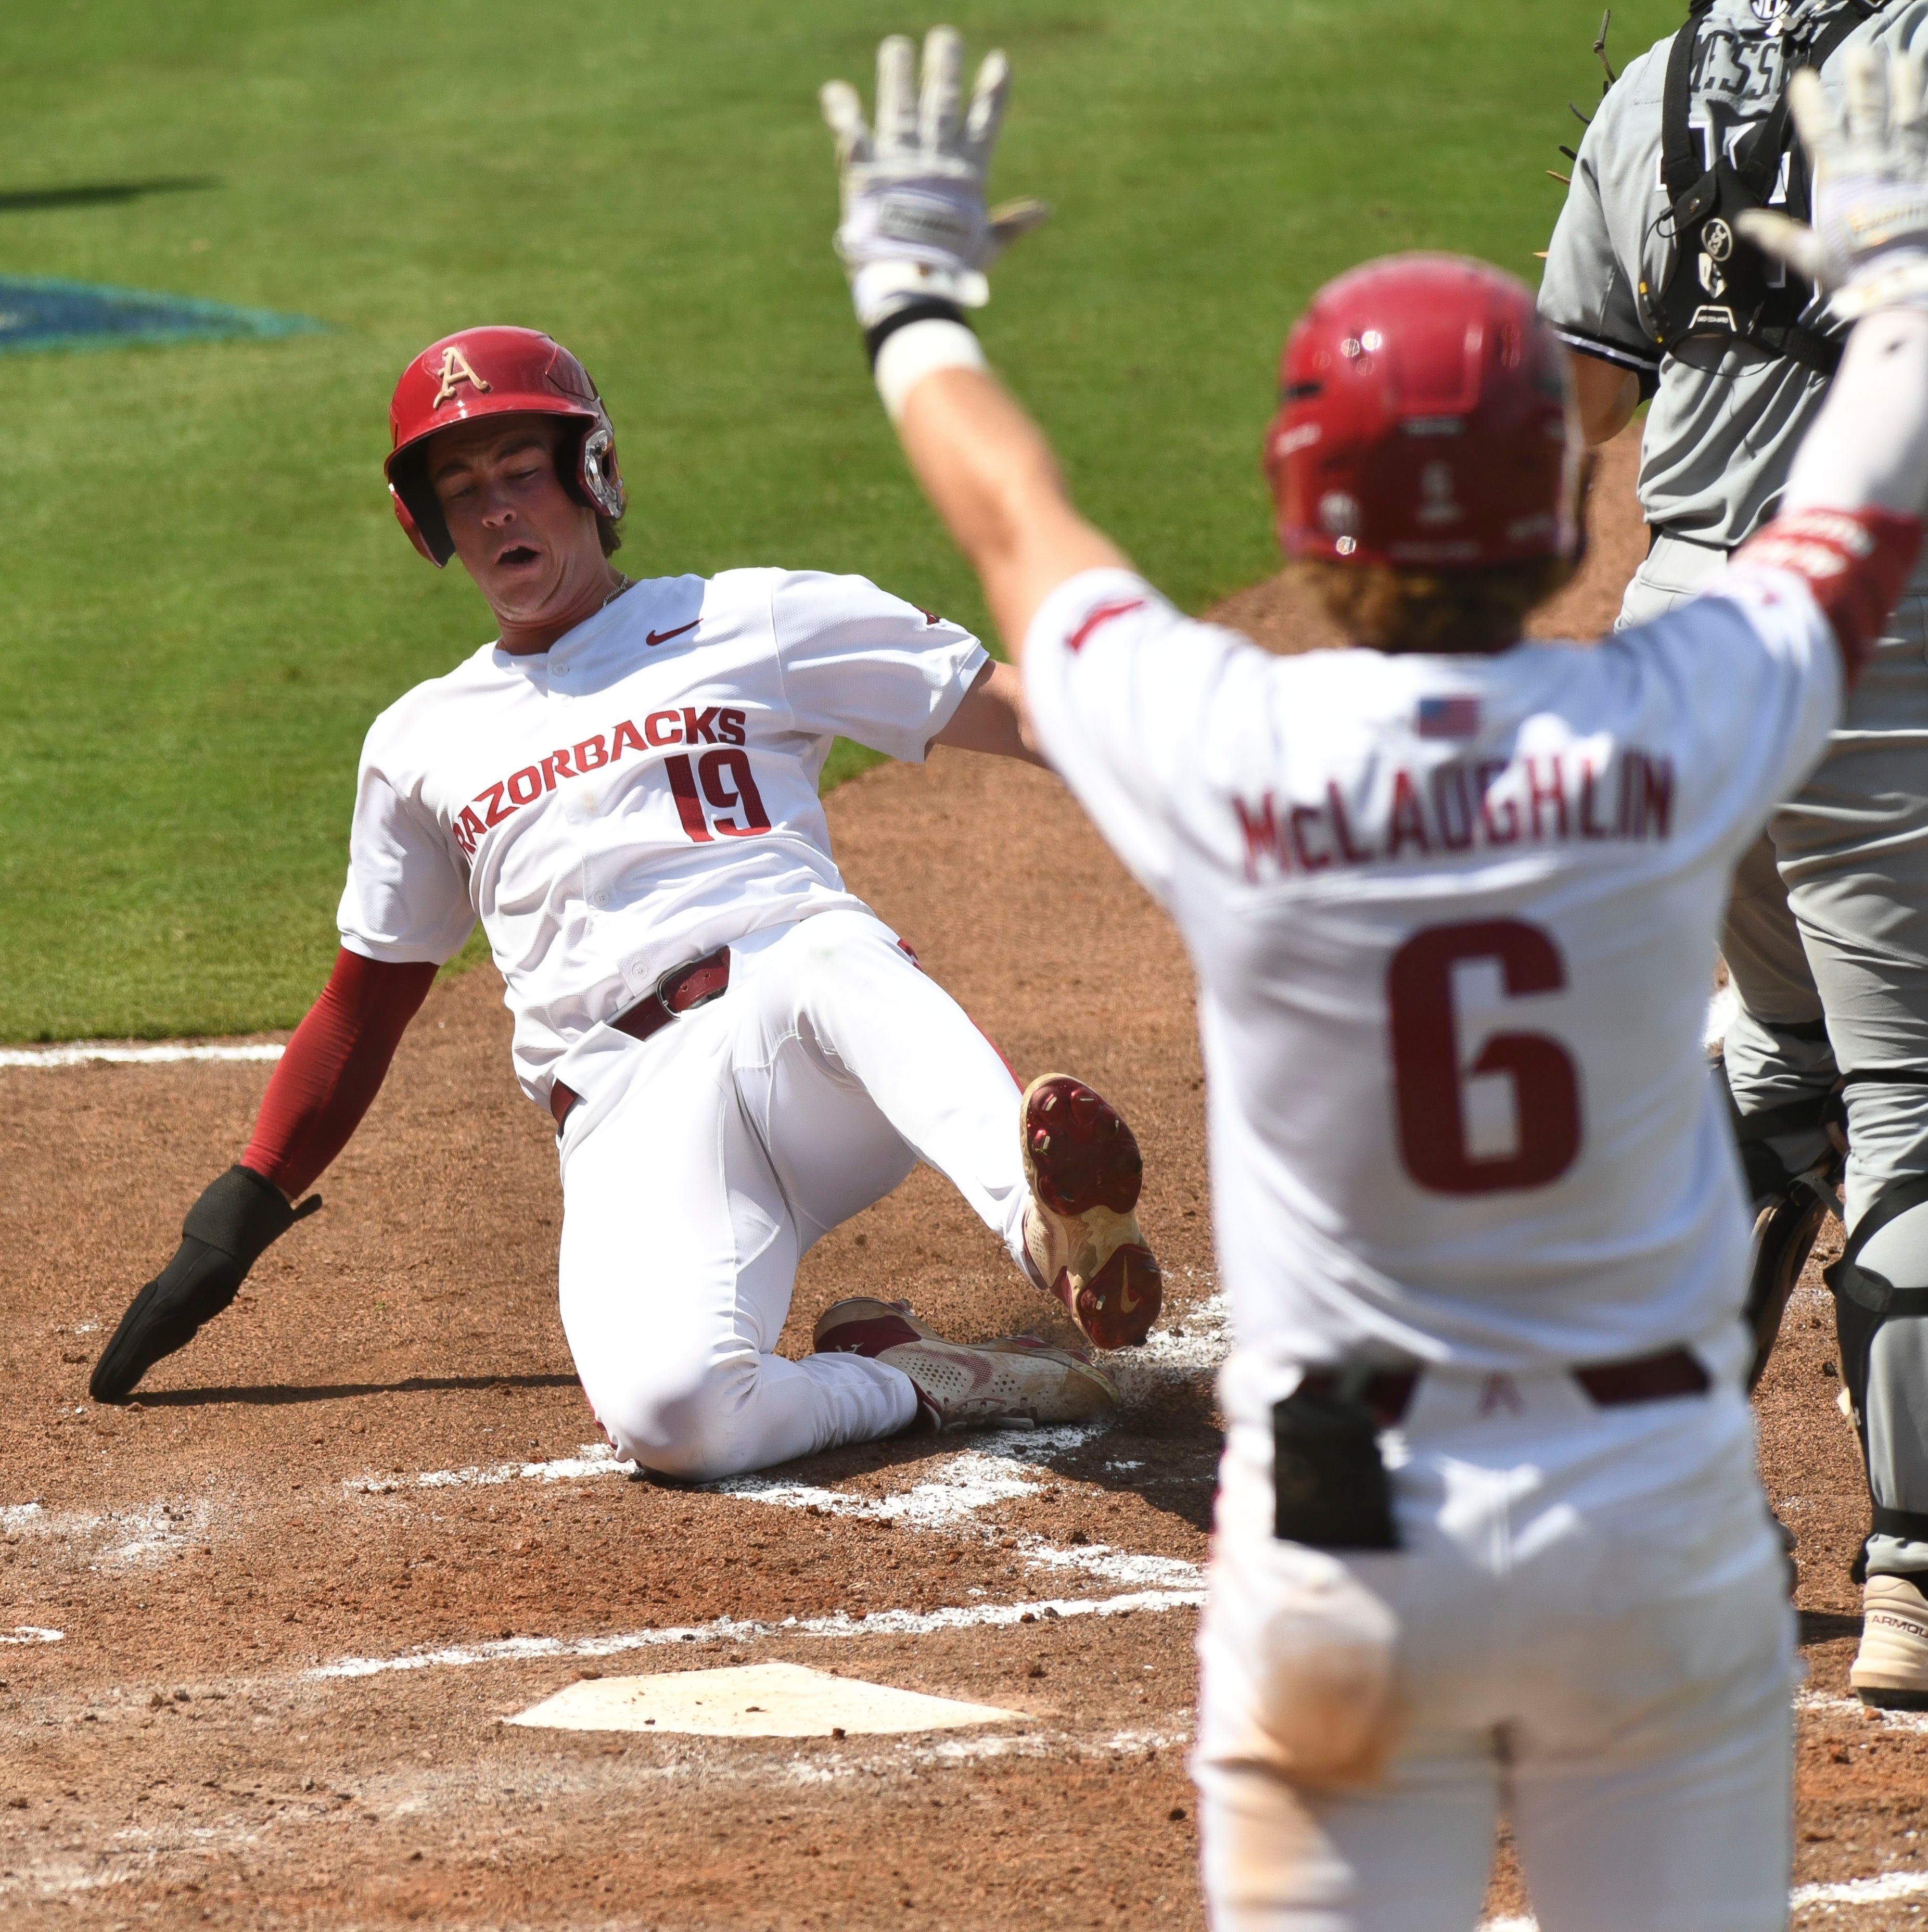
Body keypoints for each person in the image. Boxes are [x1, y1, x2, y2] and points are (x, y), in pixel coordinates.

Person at [815, 26, 1928, 1926]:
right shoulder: (1681, 719)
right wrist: (1898, 291)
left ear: (1294, 505)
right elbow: (1848, 527)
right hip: (1647, 1540)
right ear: (1558, 502)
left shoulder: (1227, 747)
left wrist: (911, 298)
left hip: (1349, 1555)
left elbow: (1016, 524)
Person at [86, 321, 1166, 1480]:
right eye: (461, 488)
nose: (497, 509)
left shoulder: (750, 620)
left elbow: (1014, 709)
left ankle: (1047, 1227)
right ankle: (917, 1376)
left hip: (800, 1032)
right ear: (430, 525)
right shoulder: (417, 742)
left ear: (589, 474)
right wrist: (240, 1208)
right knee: (676, 1422)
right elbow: (364, 1006)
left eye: (518, 473)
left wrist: (1204, 779)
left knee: (825, 955)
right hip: (623, 1104)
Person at [1540, 0, 1928, 1706]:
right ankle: (1915, 1575)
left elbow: (1574, 387)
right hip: (1876, 631)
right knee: (1911, 1088)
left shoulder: (1659, 70)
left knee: (1776, 1059)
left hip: (1680, 631)